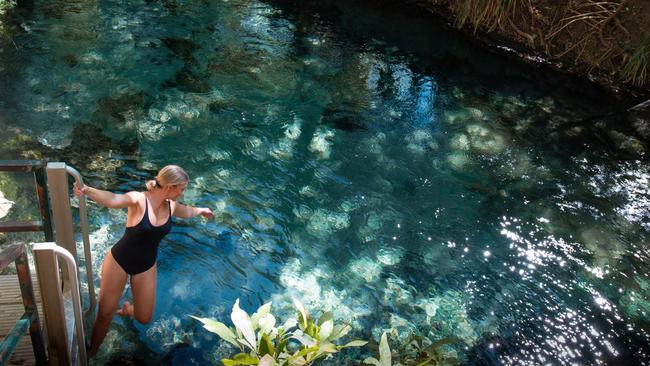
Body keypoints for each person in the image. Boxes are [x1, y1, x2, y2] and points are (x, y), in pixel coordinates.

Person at [73, 165, 214, 357]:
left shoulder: (170, 206)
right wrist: (87, 190)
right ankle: (92, 350)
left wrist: (202, 210)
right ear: (170, 187)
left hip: (146, 266)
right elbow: (113, 199)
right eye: (181, 189)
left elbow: (187, 211)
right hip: (119, 261)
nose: (182, 193)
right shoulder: (139, 199)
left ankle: (127, 309)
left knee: (144, 317)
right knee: (105, 313)